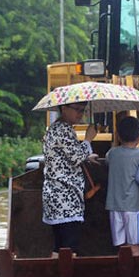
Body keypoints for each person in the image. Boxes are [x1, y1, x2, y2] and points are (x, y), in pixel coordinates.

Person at [42, 102, 98, 253]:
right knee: (69, 246)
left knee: (59, 245)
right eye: (77, 110)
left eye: (83, 110)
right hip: (65, 197)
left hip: (55, 195)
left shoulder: (55, 128)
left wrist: (86, 155)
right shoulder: (64, 129)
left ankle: (56, 273)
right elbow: (76, 157)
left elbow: (66, 157)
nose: (80, 114)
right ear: (64, 109)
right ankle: (67, 275)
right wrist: (88, 139)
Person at [105, 116, 139, 256]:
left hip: (114, 207)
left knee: (122, 249)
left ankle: (123, 275)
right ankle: (135, 276)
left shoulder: (112, 153)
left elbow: (107, 160)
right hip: (135, 207)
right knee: (135, 247)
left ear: (118, 136)